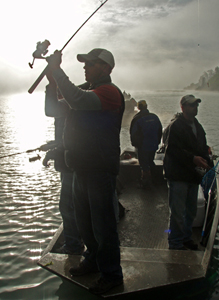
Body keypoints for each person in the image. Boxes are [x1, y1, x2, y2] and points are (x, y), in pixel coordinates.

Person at [45, 48, 124, 294]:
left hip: (100, 168)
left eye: (90, 63)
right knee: (85, 223)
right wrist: (50, 83)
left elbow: (77, 99)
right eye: (85, 63)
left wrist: (57, 71)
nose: (85, 67)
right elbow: (52, 110)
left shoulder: (109, 93)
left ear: (105, 68)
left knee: (103, 225)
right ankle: (92, 261)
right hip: (80, 167)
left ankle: (112, 274)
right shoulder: (88, 92)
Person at [163, 94, 212, 250]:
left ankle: (186, 238)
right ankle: (175, 242)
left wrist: (207, 163)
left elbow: (202, 148)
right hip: (178, 176)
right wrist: (193, 159)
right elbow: (171, 150)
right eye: (191, 105)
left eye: (196, 105)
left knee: (190, 211)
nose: (195, 108)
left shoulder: (197, 126)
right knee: (177, 212)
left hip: (192, 176)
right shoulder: (175, 126)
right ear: (183, 107)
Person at [43, 83, 84, 255]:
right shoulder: (72, 111)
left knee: (67, 207)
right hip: (71, 164)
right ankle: (78, 240)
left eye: (59, 93)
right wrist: (52, 145)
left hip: (70, 167)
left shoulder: (68, 110)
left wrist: (52, 152)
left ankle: (73, 245)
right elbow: (64, 139)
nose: (58, 97)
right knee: (75, 205)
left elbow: (70, 141)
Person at [130, 100, 162, 188]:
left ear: (138, 107)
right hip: (153, 145)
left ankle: (146, 183)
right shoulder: (154, 117)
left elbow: (133, 133)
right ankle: (156, 180)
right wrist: (158, 142)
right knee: (151, 161)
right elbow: (160, 130)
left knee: (144, 164)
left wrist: (135, 144)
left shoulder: (137, 118)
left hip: (142, 146)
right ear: (146, 106)